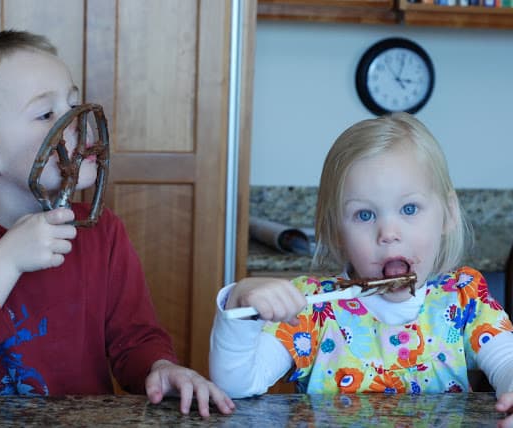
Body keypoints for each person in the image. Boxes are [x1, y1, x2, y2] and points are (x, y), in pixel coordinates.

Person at [0, 30, 234, 418]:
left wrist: (161, 368)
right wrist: (5, 261)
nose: (76, 121)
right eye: (46, 113)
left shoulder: (101, 231)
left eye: (72, 102)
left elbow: (134, 342)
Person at [209, 113, 513, 422]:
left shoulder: (463, 299)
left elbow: (506, 362)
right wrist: (240, 300)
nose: (388, 233)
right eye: (365, 215)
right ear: (335, 234)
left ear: (447, 214)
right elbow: (236, 386)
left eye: (409, 209)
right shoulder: (311, 310)